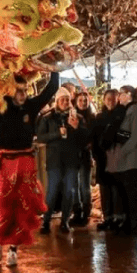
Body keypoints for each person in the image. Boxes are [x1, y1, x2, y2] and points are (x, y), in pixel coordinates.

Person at [0, 72, 59, 265]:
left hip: (26, 160)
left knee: (23, 206)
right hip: (5, 161)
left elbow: (52, 88)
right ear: (10, 90)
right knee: (3, 205)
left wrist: (54, 66)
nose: (23, 94)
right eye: (19, 90)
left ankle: (13, 249)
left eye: (25, 90)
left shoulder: (31, 106)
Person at [36, 86, 88, 235]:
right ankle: (46, 221)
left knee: (69, 191)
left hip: (72, 161)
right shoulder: (47, 117)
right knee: (52, 192)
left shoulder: (77, 117)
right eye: (62, 99)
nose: (65, 102)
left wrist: (77, 128)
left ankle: (65, 220)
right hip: (54, 161)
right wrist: (57, 133)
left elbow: (85, 139)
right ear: (57, 101)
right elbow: (41, 137)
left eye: (67, 99)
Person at [105, 85, 137, 236]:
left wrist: (121, 153)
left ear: (128, 95)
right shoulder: (128, 111)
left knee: (130, 193)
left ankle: (134, 225)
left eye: (121, 94)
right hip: (125, 160)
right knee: (125, 192)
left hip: (130, 159)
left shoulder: (136, 110)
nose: (118, 97)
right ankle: (128, 222)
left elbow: (136, 137)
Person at [92, 89, 121, 230]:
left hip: (116, 158)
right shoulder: (99, 118)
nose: (111, 101)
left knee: (116, 189)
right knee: (105, 190)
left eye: (113, 99)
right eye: (108, 99)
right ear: (104, 100)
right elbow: (94, 138)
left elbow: (124, 135)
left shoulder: (121, 116)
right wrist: (96, 155)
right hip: (102, 159)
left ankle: (117, 217)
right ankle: (107, 217)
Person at [71, 90, 96, 227]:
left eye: (85, 101)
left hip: (85, 155)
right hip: (73, 155)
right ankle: (77, 212)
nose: (83, 103)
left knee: (84, 185)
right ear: (76, 102)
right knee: (74, 185)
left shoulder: (92, 117)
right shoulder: (71, 116)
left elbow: (91, 137)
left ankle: (86, 212)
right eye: (81, 100)